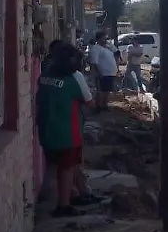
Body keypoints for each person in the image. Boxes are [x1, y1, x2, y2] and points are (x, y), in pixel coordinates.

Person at [38, 43, 95, 217]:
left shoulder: (45, 75)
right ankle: (64, 205)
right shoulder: (74, 78)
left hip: (46, 130)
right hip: (68, 132)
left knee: (56, 166)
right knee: (67, 168)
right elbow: (89, 102)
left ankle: (73, 195)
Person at [87, 31, 118, 109]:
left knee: (107, 91)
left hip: (110, 73)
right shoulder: (96, 48)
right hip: (103, 73)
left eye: (106, 38)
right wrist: (98, 73)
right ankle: (99, 106)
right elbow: (94, 62)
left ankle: (105, 105)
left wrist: (109, 44)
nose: (105, 40)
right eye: (104, 38)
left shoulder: (107, 48)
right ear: (99, 39)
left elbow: (116, 52)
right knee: (101, 91)